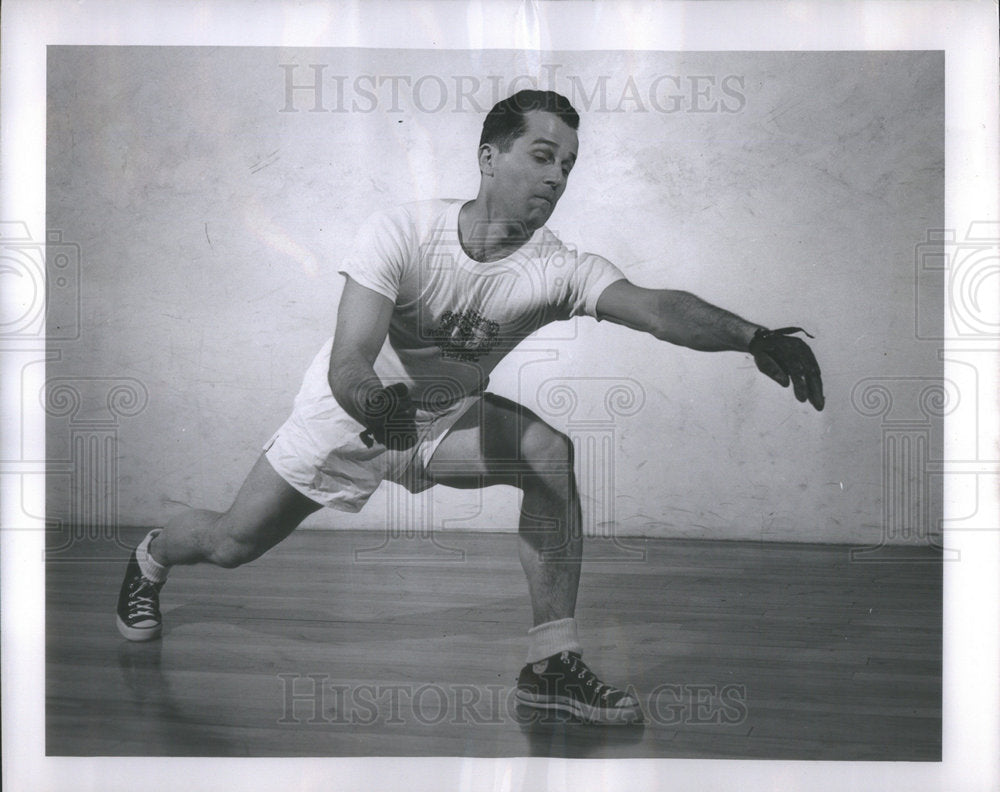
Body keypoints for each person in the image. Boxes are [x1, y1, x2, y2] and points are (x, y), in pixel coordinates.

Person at [116, 89, 823, 725]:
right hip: (347, 415)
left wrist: (750, 336)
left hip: (443, 423)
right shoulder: (402, 233)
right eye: (542, 155)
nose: (555, 177)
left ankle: (550, 663)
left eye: (567, 166)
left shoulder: (559, 266)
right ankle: (151, 557)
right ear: (490, 157)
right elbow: (348, 361)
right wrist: (378, 405)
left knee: (549, 452)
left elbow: (655, 309)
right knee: (230, 544)